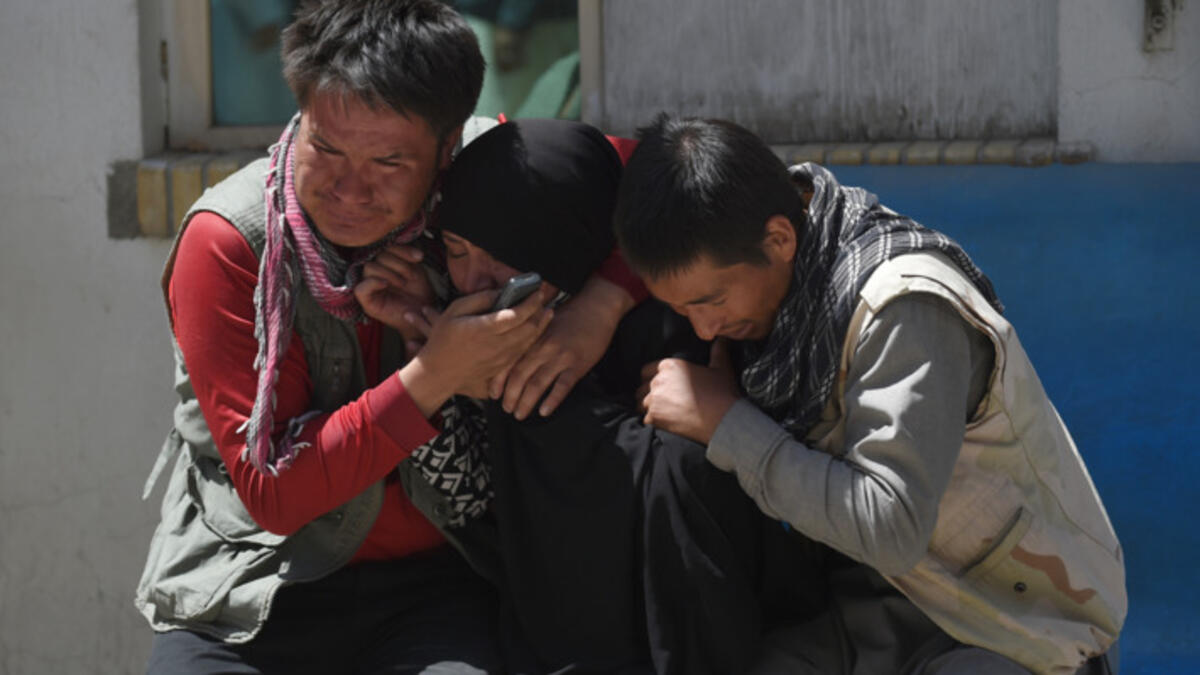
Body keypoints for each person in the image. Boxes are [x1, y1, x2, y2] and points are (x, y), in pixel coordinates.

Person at [134, 2, 642, 673]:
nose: (350, 188)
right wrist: (435, 374)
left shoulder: (479, 180)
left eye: (389, 161)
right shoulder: (231, 242)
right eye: (327, 148)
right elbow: (275, 493)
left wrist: (599, 308)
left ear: (448, 147)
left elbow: (652, 178)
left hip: (440, 586)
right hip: (249, 591)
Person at [613, 115, 1127, 675]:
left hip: (1011, 626)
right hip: (865, 617)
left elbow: (891, 527)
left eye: (710, 301)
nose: (704, 329)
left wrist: (727, 425)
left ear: (780, 239)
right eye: (683, 309)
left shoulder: (902, 307)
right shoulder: (766, 299)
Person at [364, 117, 828, 674]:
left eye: (504, 251)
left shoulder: (693, 317)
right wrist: (427, 354)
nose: (476, 280)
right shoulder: (481, 332)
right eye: (458, 251)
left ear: (563, 234)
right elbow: (473, 503)